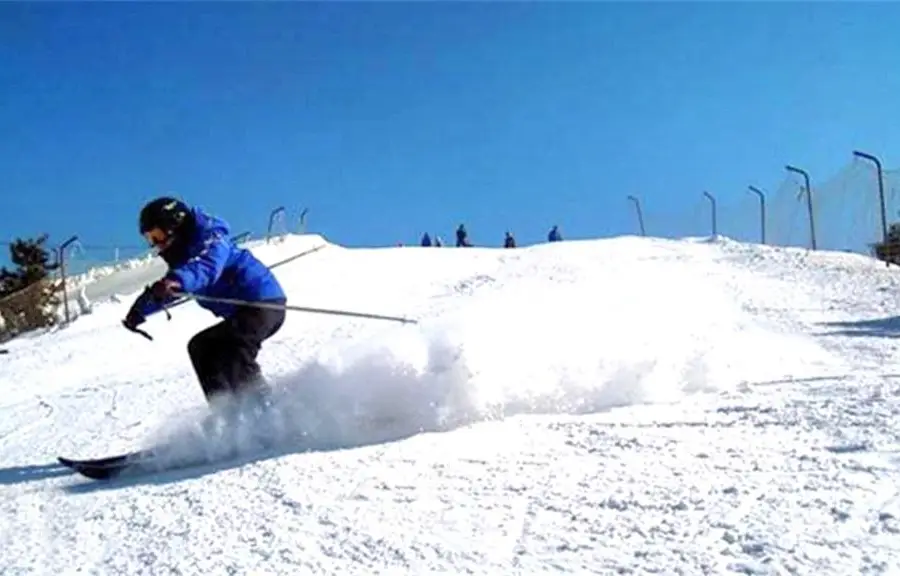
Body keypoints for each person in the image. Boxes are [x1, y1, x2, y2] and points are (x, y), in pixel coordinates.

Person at [123, 197, 288, 404]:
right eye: (150, 240)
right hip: (243, 312)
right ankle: (225, 411)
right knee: (201, 347)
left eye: (157, 236)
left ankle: (266, 411)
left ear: (175, 225)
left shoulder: (212, 238)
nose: (156, 245)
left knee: (235, 349)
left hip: (262, 303)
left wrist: (176, 281)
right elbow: (167, 290)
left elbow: (207, 267)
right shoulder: (185, 260)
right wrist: (140, 310)